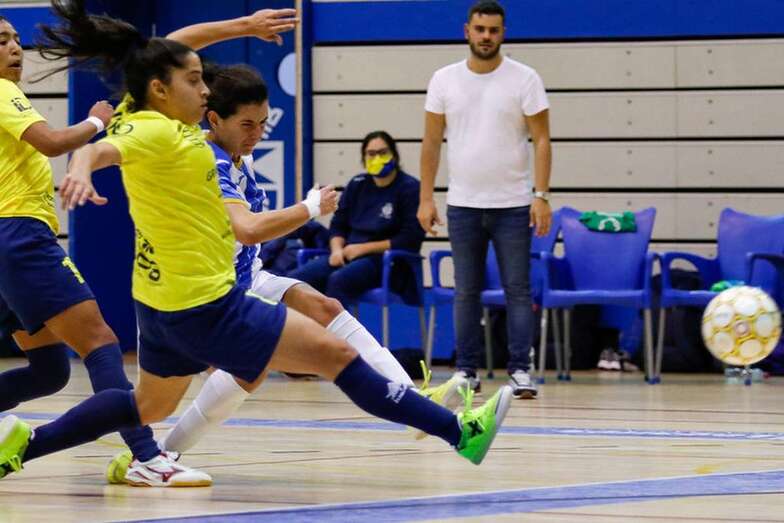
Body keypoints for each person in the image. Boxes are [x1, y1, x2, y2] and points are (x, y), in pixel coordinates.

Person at [0, 1, 512, 482]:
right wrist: (82, 167)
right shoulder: (152, 132)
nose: (205, 91)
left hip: (159, 305)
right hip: (208, 305)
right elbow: (105, 150)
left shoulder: (145, 104)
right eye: (195, 81)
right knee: (336, 356)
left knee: (146, 407)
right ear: (161, 88)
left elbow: (177, 42)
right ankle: (459, 433)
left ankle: (22, 448)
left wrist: (244, 25)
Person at [105, 63, 465, 482]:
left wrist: (242, 30)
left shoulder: (240, 151)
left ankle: (411, 399)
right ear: (214, 119)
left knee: (322, 305)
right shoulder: (211, 162)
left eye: (263, 123)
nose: (257, 133)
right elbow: (250, 227)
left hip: (247, 274)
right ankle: (152, 454)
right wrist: (310, 208)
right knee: (213, 385)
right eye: (247, 124)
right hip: (207, 288)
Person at [0, 12, 210, 486]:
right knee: (101, 341)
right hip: (20, 235)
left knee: (49, 371)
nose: (15, 48)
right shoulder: (3, 93)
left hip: (9, 240)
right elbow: (53, 142)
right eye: (1, 41)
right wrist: (96, 121)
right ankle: (145, 456)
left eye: (16, 39)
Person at [417, 0, 552, 399]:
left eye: (493, 30)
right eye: (480, 29)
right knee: (466, 290)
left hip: (513, 203)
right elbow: (430, 142)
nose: (486, 37)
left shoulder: (525, 79)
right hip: (462, 203)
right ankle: (466, 371)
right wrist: (427, 198)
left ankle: (521, 371)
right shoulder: (443, 79)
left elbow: (542, 140)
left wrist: (540, 195)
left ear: (502, 33)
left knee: (518, 289)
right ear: (467, 31)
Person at [289, 131, 425, 308]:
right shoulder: (357, 184)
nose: (377, 158)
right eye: (371, 154)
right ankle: (300, 333)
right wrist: (337, 250)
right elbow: (338, 225)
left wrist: (362, 249)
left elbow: (409, 239)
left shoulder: (410, 188)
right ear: (364, 158)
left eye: (383, 153)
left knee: (338, 281)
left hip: (388, 262)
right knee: (295, 281)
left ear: (394, 155)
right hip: (346, 256)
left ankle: (337, 336)